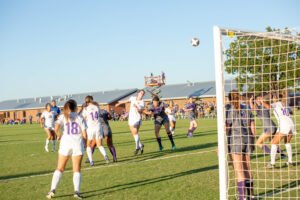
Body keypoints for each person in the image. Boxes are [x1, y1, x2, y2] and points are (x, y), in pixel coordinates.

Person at [46, 99, 87, 199]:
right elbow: (85, 134)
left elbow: (56, 129)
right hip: (77, 144)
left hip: (65, 144)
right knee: (76, 169)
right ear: (75, 107)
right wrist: (84, 144)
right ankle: (76, 192)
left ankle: (52, 190)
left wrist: (59, 135)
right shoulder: (79, 117)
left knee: (59, 168)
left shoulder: (62, 116)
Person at [226, 90, 256, 200]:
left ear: (230, 99)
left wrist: (224, 143)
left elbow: (227, 127)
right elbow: (252, 125)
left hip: (236, 141)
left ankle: (242, 197)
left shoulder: (229, 109)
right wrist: (252, 140)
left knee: (239, 170)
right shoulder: (247, 107)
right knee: (247, 168)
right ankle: (251, 195)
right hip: (247, 139)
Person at [267, 94, 296, 168]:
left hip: (284, 124)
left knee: (274, 142)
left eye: (273, 97)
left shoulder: (276, 104)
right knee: (287, 142)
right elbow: (291, 112)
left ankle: (272, 163)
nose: (272, 98)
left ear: (276, 98)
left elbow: (268, 106)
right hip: (291, 123)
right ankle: (290, 161)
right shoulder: (284, 104)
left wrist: (261, 101)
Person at [81, 96, 109, 166]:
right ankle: (105, 156)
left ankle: (91, 161)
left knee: (88, 145)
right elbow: (99, 114)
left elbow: (83, 118)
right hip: (98, 126)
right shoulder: (96, 107)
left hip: (90, 128)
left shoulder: (86, 109)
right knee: (99, 144)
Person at [116, 89, 145, 155]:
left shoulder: (142, 102)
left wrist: (137, 107)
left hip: (137, 119)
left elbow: (140, 111)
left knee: (135, 133)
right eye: (141, 93)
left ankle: (137, 147)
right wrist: (120, 103)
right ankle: (141, 145)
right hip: (131, 118)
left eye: (143, 94)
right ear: (138, 93)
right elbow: (127, 101)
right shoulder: (133, 98)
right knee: (135, 134)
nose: (142, 95)